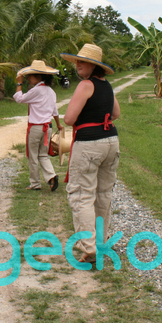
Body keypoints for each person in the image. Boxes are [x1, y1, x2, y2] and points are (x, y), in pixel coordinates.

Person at [60, 43, 121, 264]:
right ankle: (102, 243)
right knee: (103, 194)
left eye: (82, 62)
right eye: (77, 61)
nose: (78, 65)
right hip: (111, 141)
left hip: (89, 144)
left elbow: (68, 119)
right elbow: (116, 113)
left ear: (93, 66)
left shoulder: (86, 85)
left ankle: (90, 246)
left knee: (81, 194)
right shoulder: (107, 86)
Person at [13, 60, 62, 192]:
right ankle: (51, 176)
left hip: (36, 128)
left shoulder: (36, 90)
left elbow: (19, 98)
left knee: (33, 155)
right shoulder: (51, 91)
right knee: (43, 154)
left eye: (31, 75)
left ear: (38, 76)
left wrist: (19, 83)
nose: (29, 78)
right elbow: (54, 111)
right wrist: (58, 124)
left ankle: (35, 183)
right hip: (48, 127)